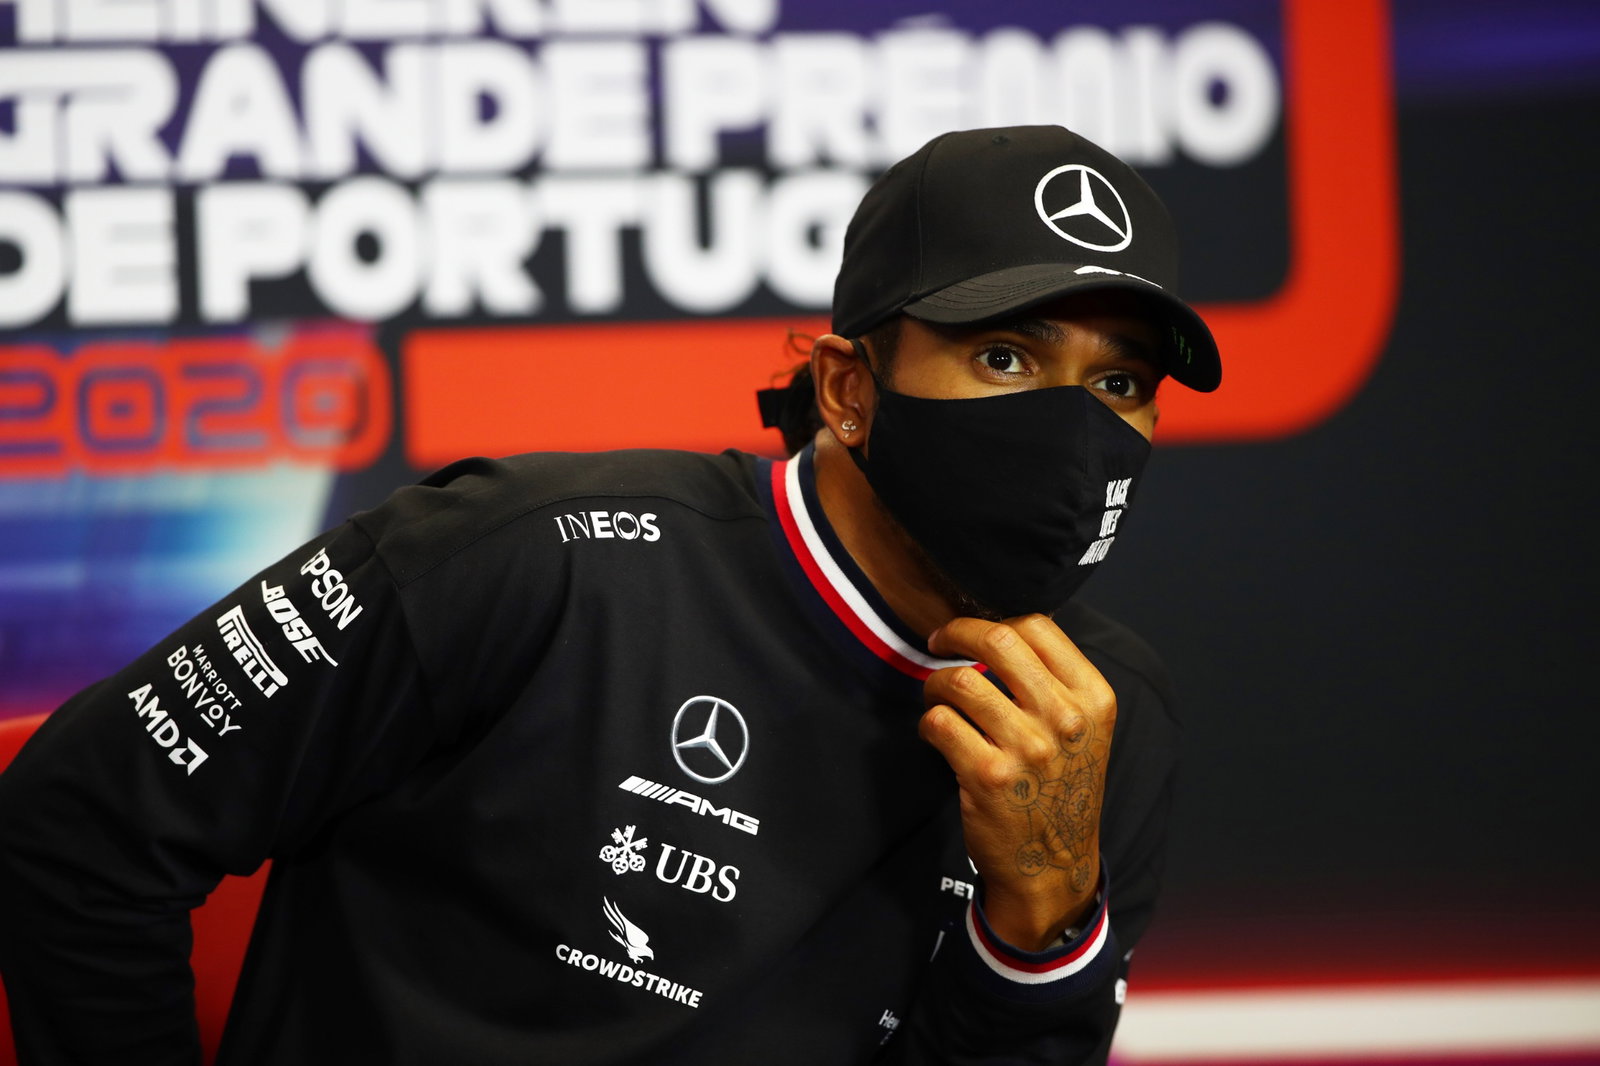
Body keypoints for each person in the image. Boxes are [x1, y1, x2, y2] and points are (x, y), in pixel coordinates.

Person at [0, 124, 1220, 1064]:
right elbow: (76, 822)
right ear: (850, 387)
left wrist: (1042, 925)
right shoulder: (531, 556)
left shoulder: (1107, 725)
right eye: (1004, 356)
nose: (1068, 425)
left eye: (1119, 384)